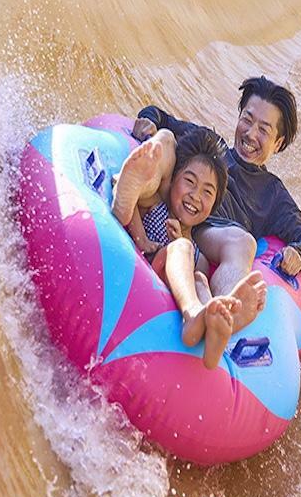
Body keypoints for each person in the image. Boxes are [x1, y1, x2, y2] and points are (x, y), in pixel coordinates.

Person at [132, 76, 301, 331]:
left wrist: (298, 253)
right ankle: (130, 191)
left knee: (244, 242)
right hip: (169, 208)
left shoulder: (273, 195)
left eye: (263, 130)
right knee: (164, 143)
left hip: (209, 234)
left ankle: (220, 313)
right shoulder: (211, 146)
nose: (251, 134)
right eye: (247, 120)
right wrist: (149, 123)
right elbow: (160, 117)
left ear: (278, 143)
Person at [112, 126, 266, 369]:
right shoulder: (156, 204)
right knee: (181, 248)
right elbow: (140, 205)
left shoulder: (198, 252)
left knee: (200, 278)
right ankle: (194, 314)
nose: (195, 196)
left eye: (207, 192)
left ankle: (217, 320)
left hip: (176, 290)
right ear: (172, 180)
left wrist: (182, 245)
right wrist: (141, 239)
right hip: (150, 266)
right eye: (189, 182)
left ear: (213, 206)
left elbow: (197, 276)